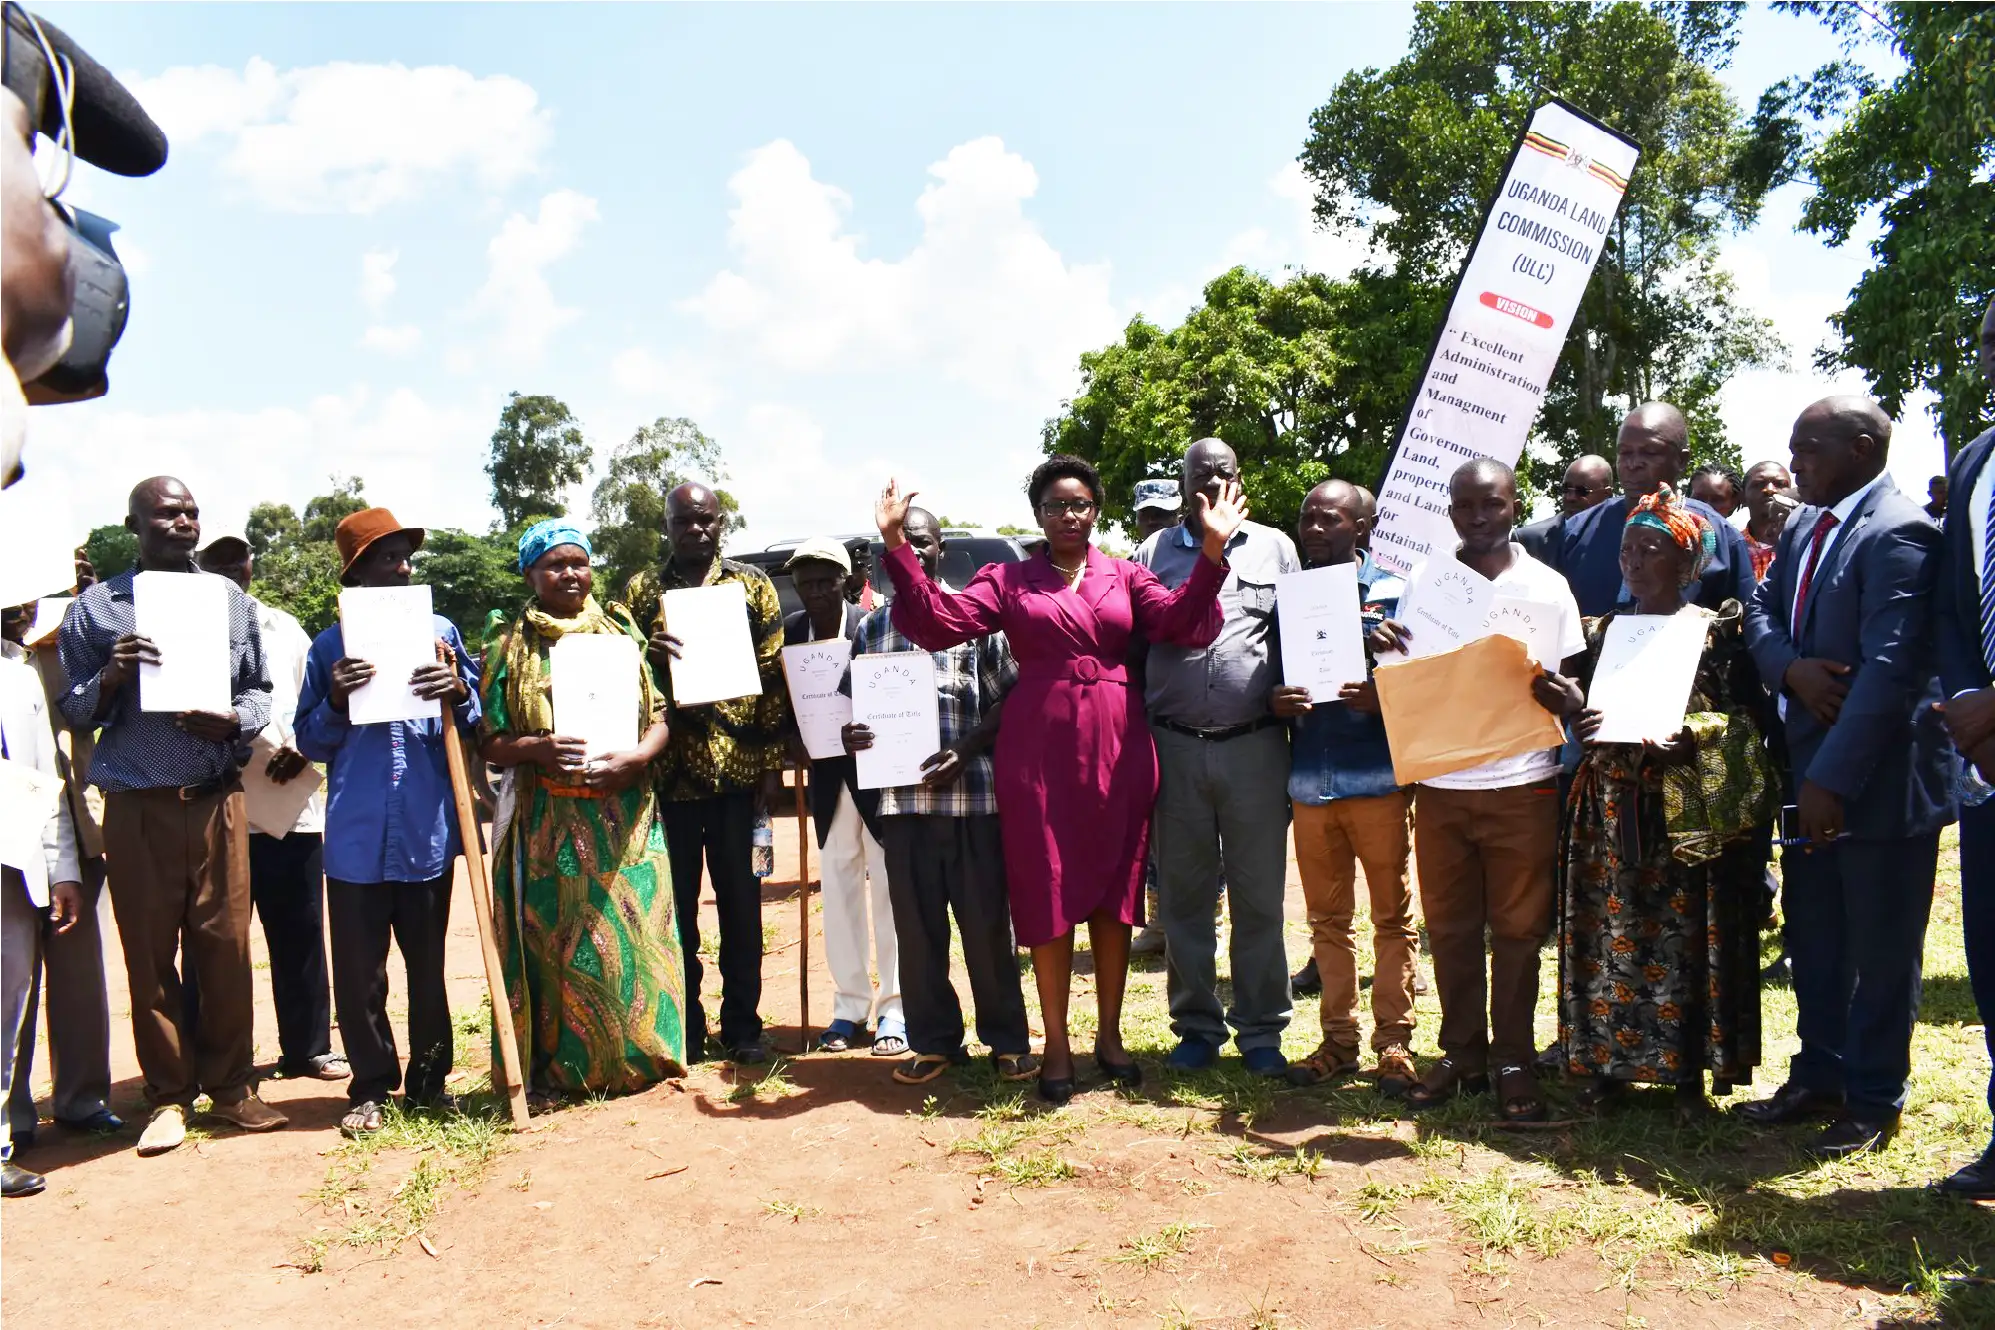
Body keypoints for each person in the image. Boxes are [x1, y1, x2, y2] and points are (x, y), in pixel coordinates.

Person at [874, 455, 1238, 1103]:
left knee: (1113, 890)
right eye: (1054, 506)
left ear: (1096, 510)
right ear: (1037, 514)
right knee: (1046, 891)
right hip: (1037, 753)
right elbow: (939, 623)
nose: (1068, 515)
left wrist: (1211, 551)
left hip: (1119, 745)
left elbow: (1183, 623)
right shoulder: (1008, 578)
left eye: (1079, 504)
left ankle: (1109, 1036)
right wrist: (896, 544)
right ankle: (1057, 1046)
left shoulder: (1126, 575)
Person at [1738, 396, 1954, 1159]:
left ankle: (1871, 1099)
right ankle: (1818, 1074)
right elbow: (1759, 609)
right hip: (1808, 769)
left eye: (1809, 449)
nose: (1792, 464)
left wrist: (1830, 779)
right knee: (1816, 933)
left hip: (1878, 782)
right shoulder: (1803, 524)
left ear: (1861, 449)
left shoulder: (1899, 531)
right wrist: (1789, 669)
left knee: (1878, 948)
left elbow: (1892, 669)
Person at [57, 477, 282, 1156]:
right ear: (134, 523)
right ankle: (169, 1098)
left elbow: (259, 690)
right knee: (150, 956)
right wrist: (112, 679)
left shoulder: (228, 600)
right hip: (138, 807)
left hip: (215, 799)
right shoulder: (96, 610)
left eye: (190, 512)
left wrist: (234, 721)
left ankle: (233, 1089)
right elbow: (71, 709)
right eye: (167, 513)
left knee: (225, 949)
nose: (183, 522)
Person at [1371, 459, 1585, 1122]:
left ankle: (1513, 1062)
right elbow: (1405, 667)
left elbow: (1573, 685)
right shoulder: (1428, 582)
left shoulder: (1546, 587)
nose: (1476, 517)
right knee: (1452, 928)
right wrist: (1380, 644)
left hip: (1522, 785)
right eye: (1463, 506)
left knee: (1518, 932)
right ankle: (1462, 1052)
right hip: (1440, 785)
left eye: (1489, 504)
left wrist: (1564, 696)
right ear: (1450, 510)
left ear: (1514, 503)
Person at [1559, 486, 1778, 1120]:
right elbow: (1586, 713)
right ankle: (1607, 1066)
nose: (1632, 560)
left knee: (1685, 938)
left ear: (1686, 565)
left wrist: (1694, 740)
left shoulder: (1715, 636)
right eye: (1627, 548)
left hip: (1680, 810)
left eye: (1650, 550)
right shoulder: (1602, 633)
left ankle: (1686, 1075)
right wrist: (1578, 716)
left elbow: (1745, 725)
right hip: (1607, 804)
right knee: (1609, 932)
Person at [481, 520, 687, 1101]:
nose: (570, 573)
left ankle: (643, 1060)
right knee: (559, 944)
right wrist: (538, 748)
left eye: (579, 561)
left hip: (626, 816)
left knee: (632, 937)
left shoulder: (621, 631)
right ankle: (561, 1070)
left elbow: (660, 716)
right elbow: (491, 740)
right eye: (554, 564)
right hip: (551, 819)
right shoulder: (507, 642)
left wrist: (638, 758)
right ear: (530, 574)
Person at [294, 509, 479, 1137]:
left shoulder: (440, 632)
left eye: (404, 557)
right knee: (359, 972)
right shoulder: (328, 647)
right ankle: (370, 1087)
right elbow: (310, 741)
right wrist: (337, 699)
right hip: (355, 840)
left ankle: (430, 1082)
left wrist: (455, 687)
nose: (400, 569)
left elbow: (474, 715)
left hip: (426, 832)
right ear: (356, 572)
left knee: (427, 966)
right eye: (384, 558)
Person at [841, 506, 1035, 1086]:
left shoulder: (977, 617)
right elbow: (856, 710)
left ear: (938, 550)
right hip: (904, 808)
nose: (912, 553)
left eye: (920, 543)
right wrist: (856, 735)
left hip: (974, 802)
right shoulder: (872, 630)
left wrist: (970, 747)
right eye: (899, 546)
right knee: (919, 935)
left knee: (985, 931)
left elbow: (1012, 699)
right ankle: (934, 1043)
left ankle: (1007, 1041)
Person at [1133, 438, 1297, 1076]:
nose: (1212, 484)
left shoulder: (1277, 547)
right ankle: (1196, 1026)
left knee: (1260, 897)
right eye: (1200, 475)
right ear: (1181, 485)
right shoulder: (1152, 553)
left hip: (1254, 745)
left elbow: (1297, 635)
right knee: (1184, 898)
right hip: (1173, 746)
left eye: (1224, 473)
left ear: (1239, 478)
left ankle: (1261, 1031)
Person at [625, 482, 789, 1064]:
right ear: (666, 525)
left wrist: (771, 765)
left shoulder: (751, 586)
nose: (695, 530)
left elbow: (773, 676)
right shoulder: (643, 592)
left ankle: (743, 1027)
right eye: (683, 522)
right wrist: (649, 655)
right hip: (672, 783)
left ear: (721, 523)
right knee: (679, 913)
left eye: (706, 521)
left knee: (744, 909)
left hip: (742, 780)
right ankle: (687, 1027)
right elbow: (631, 681)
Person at [1273, 480, 1417, 1092]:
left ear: (1363, 525)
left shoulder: (1398, 594)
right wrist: (1274, 699)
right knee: (1327, 922)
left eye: (1328, 519)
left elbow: (1427, 683)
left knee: (1392, 917)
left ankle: (1395, 1043)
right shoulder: (1289, 598)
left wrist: (1389, 695)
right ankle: (1338, 1041)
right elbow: (1270, 674)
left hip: (1378, 779)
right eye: (1307, 518)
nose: (1312, 529)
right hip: (1311, 782)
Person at [196, 532, 346, 1084]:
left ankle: (308, 1048)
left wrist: (302, 747)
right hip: (217, 802)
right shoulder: (186, 627)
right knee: (214, 942)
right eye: (218, 562)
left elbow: (314, 700)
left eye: (240, 560)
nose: (233, 569)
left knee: (301, 930)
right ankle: (213, 1063)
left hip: (290, 801)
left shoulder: (283, 627)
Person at [3, 595, 118, 1152]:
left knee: (78, 973)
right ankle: (16, 1112)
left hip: (72, 822)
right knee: (10, 979)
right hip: (16, 832)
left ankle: (82, 1098)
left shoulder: (76, 632)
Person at [782, 537, 901, 1055]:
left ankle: (895, 1008)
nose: (814, 591)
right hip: (827, 782)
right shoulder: (792, 632)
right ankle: (849, 1007)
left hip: (880, 777)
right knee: (838, 888)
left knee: (890, 892)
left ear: (845, 580)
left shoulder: (872, 623)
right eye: (805, 583)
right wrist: (793, 742)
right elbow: (784, 703)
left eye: (824, 581)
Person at [1931, 293, 1995, 1198]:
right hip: (1986, 761)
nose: (1988, 357)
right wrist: (1972, 700)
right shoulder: (1977, 459)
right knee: (1990, 951)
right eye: (1985, 341)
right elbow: (1952, 604)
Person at [1, 626, 81, 1196]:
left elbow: (42, 782)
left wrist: (63, 869)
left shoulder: (21, 673)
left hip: (12, 865)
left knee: (6, 1009)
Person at [1553, 404, 1758, 616]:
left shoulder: (1718, 535)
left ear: (1682, 460)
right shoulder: (1577, 531)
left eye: (1649, 453)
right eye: (1624, 453)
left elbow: (1745, 623)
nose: (1632, 464)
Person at [1128, 477, 1184, 957]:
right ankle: (1159, 921)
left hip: (1191, 709)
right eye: (1148, 515)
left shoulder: (1193, 554)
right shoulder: (1134, 564)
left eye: (1164, 515)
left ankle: (1209, 919)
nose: (1156, 522)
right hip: (1148, 710)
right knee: (1157, 828)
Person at [1515, 454, 1613, 562]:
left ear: (1606, 494)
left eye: (1581, 491)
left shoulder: (1623, 537)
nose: (1570, 497)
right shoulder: (1528, 541)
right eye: (1566, 489)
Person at [1741, 461, 1797, 580]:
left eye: (1780, 484)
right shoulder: (1731, 546)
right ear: (1743, 497)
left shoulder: (1806, 544)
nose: (1770, 490)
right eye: (1758, 484)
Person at [1132, 479, 1182, 545]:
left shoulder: (1196, 553)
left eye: (1160, 514)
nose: (1151, 521)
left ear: (1179, 516)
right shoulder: (1140, 555)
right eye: (1144, 515)